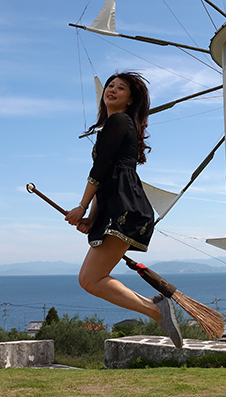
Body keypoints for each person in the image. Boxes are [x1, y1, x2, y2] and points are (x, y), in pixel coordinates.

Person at [65, 71, 183, 347]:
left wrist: (82, 206)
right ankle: (156, 309)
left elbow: (100, 169)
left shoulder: (118, 120)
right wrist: (92, 216)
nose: (112, 90)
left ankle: (156, 312)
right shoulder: (118, 124)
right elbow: (106, 177)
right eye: (110, 85)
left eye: (121, 88)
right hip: (120, 207)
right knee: (90, 279)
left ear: (130, 100)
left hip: (124, 208)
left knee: (91, 279)